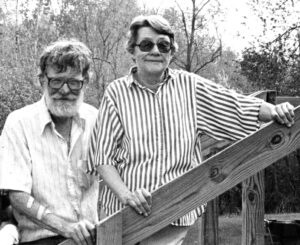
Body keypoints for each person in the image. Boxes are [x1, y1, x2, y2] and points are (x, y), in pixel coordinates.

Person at [87, 15, 295, 245]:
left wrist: (275, 111)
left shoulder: (189, 86)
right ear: (133, 50)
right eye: (146, 44)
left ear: (171, 51)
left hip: (174, 215)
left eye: (163, 45)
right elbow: (103, 158)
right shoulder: (116, 92)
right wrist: (127, 195)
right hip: (122, 217)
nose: (155, 50)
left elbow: (235, 105)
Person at [0, 39, 99, 245]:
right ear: (42, 80)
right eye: (56, 81)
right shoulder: (19, 123)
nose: (64, 90)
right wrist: (67, 228)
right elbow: (17, 195)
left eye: (74, 82)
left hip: (97, 236)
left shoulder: (97, 120)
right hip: (43, 239)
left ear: (86, 82)